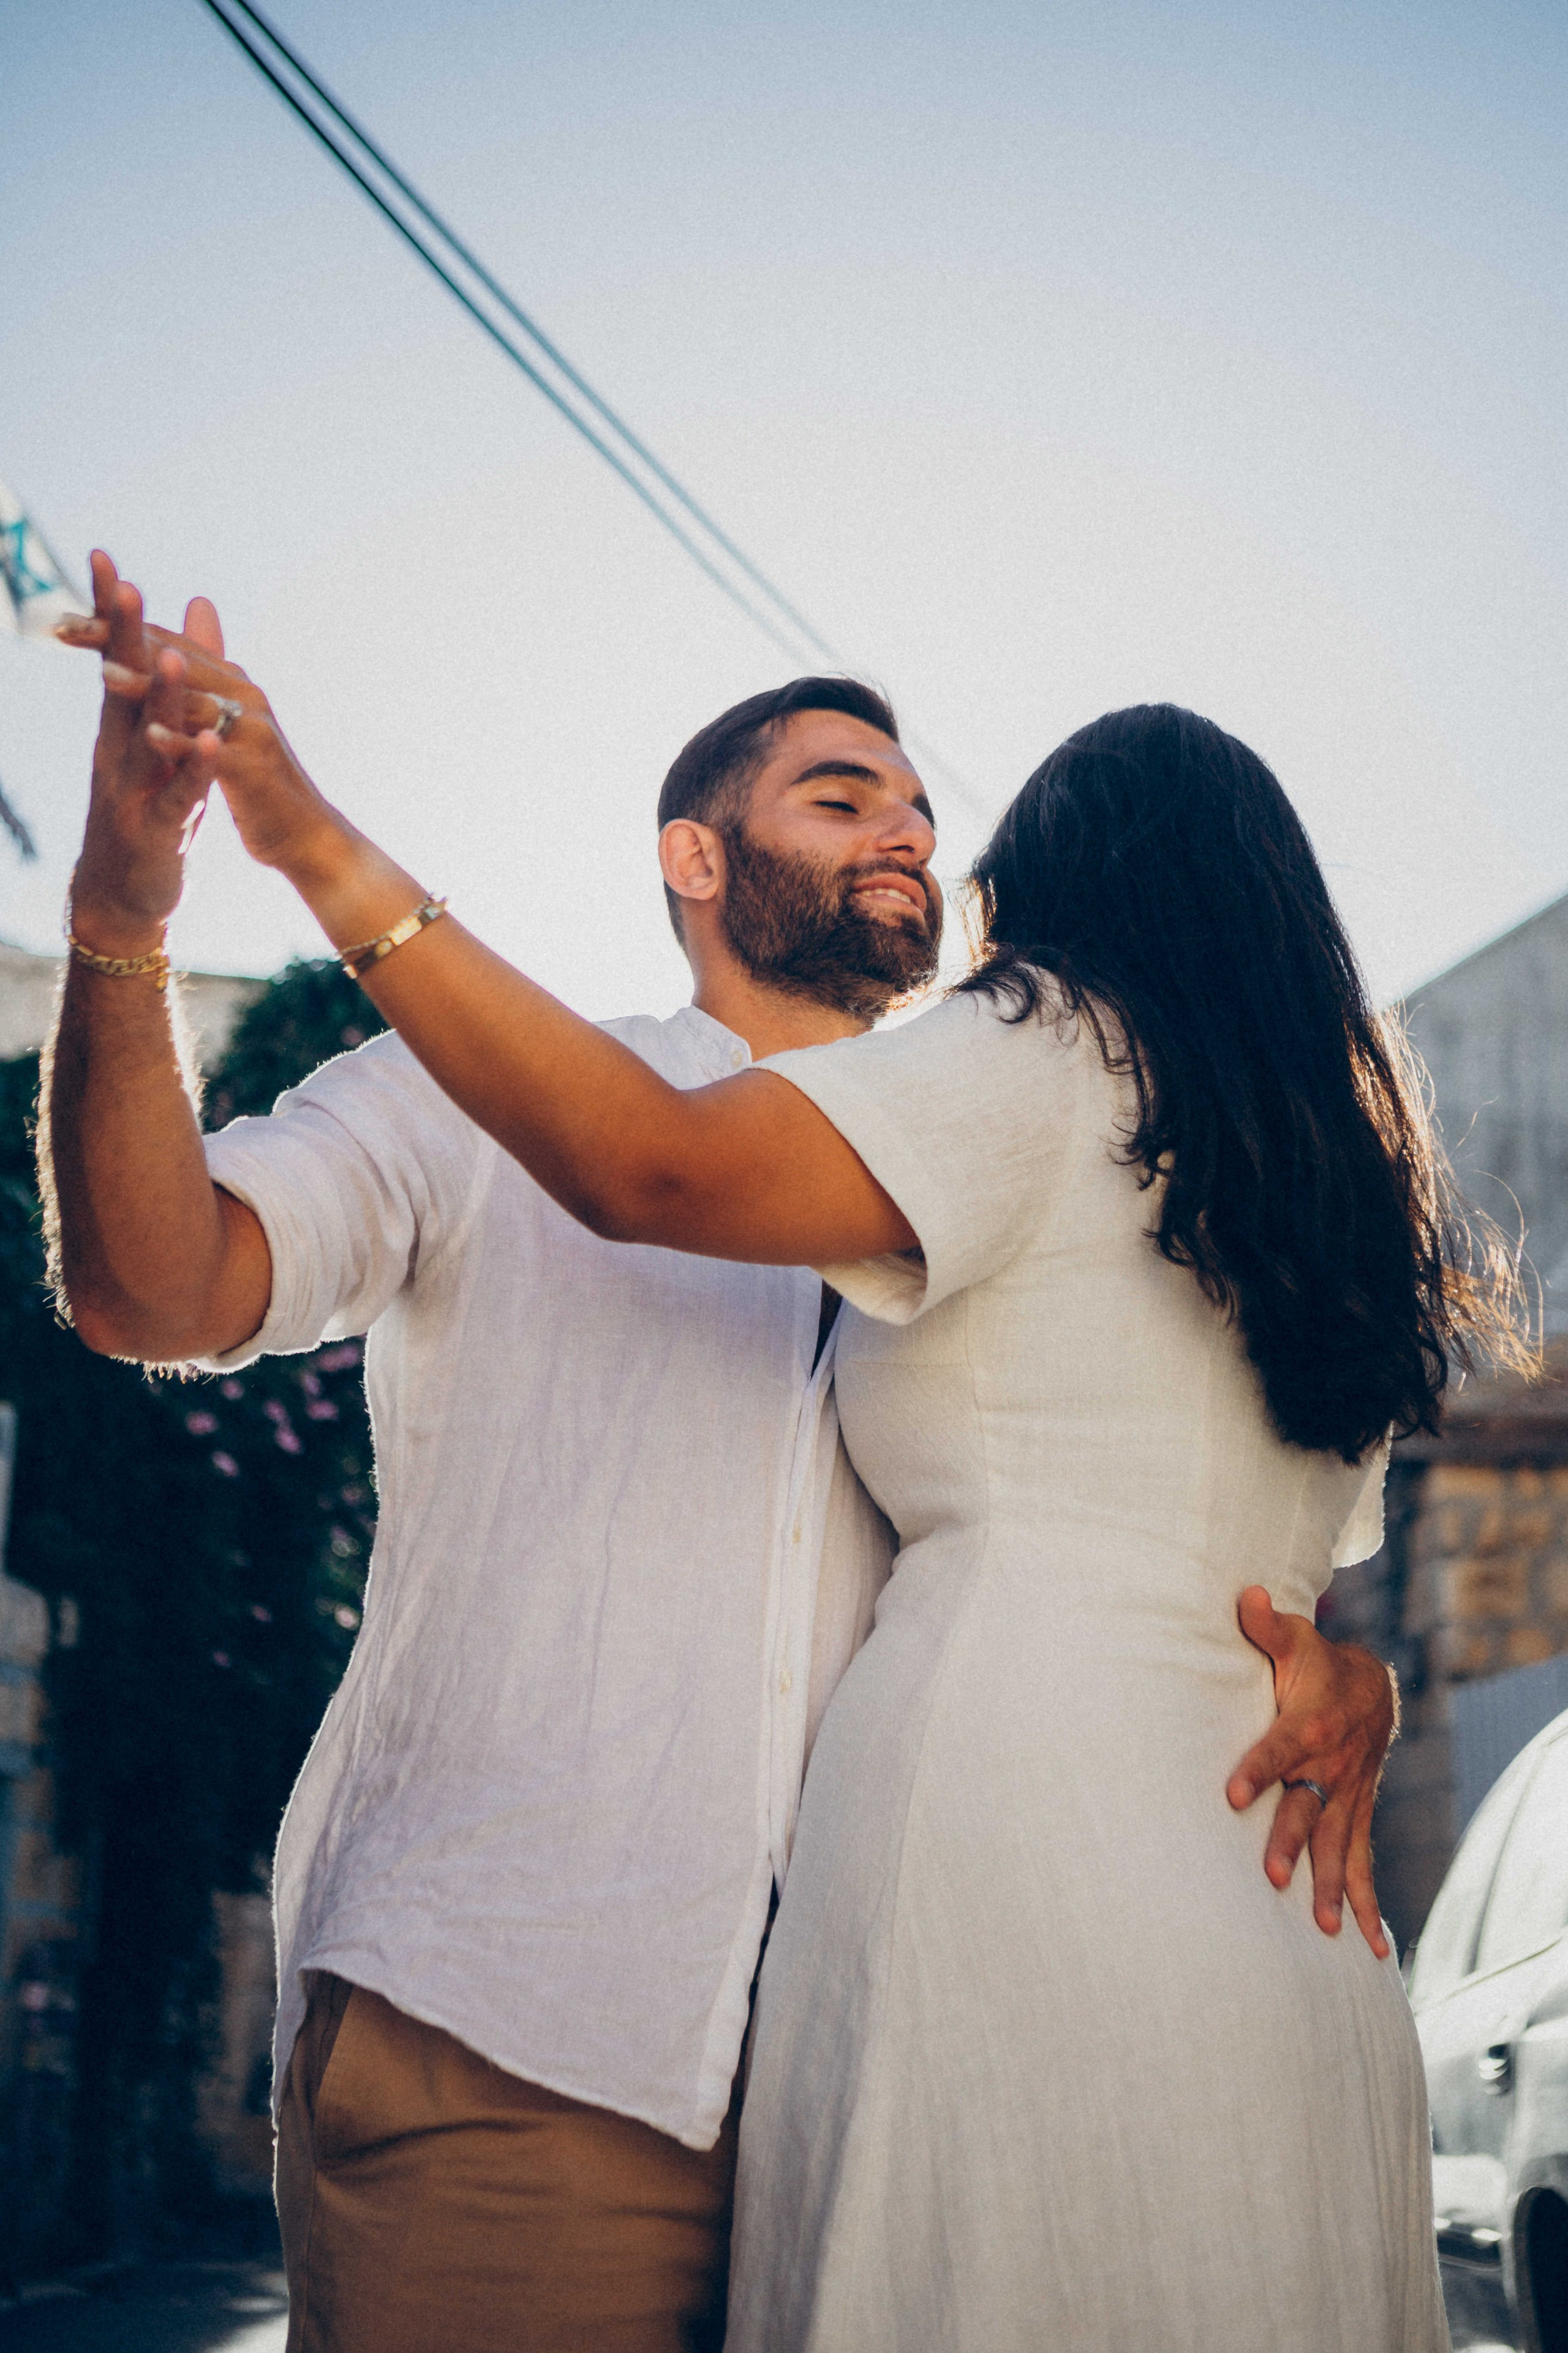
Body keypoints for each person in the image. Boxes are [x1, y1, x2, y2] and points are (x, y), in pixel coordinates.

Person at [53, 556, 1409, 2352]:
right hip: (531, 2043)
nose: (908, 830)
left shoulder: (1026, 1138)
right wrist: (125, 916)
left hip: (898, 2058)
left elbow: (1171, 1484)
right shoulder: (484, 1090)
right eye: (841, 794)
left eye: (927, 807)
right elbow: (151, 1288)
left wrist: (1339, 1660)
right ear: (694, 855)